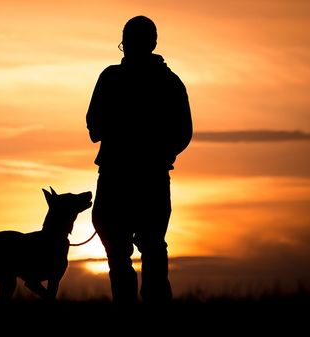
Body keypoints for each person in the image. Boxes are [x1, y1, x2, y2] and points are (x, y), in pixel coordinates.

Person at [86, 16, 192, 306]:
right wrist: (161, 153)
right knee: (151, 247)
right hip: (150, 178)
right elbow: (184, 133)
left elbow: (93, 125)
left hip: (120, 177)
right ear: (153, 43)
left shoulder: (111, 78)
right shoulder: (170, 83)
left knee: (130, 251)